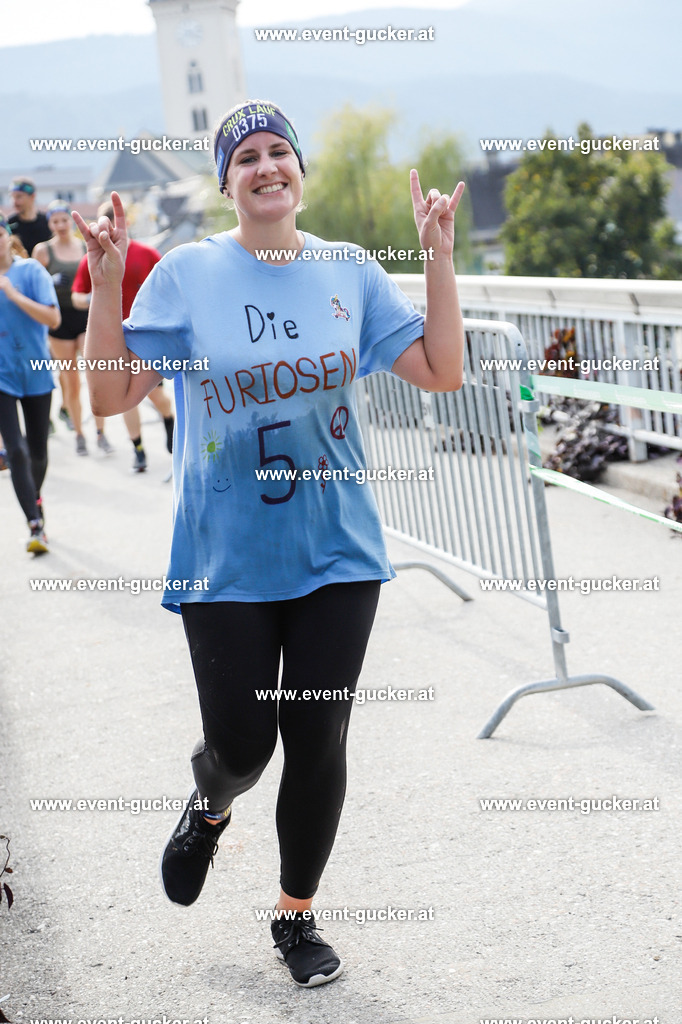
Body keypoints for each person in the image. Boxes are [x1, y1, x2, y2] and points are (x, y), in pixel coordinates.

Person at [73, 99, 464, 988]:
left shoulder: (350, 271)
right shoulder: (184, 274)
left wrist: (437, 261)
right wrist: (102, 286)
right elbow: (108, 398)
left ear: (299, 170)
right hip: (226, 556)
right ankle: (212, 804)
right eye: (244, 155)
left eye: (278, 150)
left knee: (317, 734)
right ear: (226, 181)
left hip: (338, 550)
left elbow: (442, 371)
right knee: (246, 743)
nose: (264, 166)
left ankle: (296, 915)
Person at [72, 201, 175, 471]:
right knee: (125, 399)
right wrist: (98, 294)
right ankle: (138, 449)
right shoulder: (91, 258)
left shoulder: (147, 253)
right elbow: (77, 296)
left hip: (147, 340)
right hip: (111, 341)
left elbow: (167, 287)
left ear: (125, 223)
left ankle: (169, 422)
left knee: (157, 397)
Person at [0, 211, 60, 553]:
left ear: (7, 236)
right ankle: (35, 525)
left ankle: (33, 499)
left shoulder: (30, 271)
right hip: (2, 375)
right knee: (17, 452)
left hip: (35, 371)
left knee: (38, 452)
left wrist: (12, 294)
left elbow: (53, 318)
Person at [34, 201, 114, 457]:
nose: (60, 226)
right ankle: (79, 433)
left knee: (95, 375)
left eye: (64, 220)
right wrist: (50, 280)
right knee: (71, 382)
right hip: (59, 321)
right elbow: (33, 284)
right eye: (54, 221)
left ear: (70, 221)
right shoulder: (43, 251)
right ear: (49, 224)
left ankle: (101, 432)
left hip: (84, 317)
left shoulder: (83, 246)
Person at [8, 177, 51, 256]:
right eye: (12, 197)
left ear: (32, 196)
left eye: (19, 196)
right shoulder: (9, 224)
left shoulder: (47, 222)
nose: (14, 202)